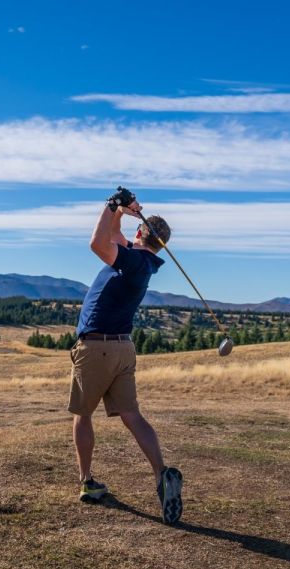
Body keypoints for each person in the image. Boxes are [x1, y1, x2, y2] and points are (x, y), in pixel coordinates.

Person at [68, 193, 183, 525]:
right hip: (123, 348)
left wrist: (109, 206)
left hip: (98, 347)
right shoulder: (142, 261)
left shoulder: (131, 261)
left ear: (140, 233)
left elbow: (97, 243)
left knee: (82, 415)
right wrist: (120, 211)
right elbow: (115, 235)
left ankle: (87, 482)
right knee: (132, 415)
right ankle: (161, 474)